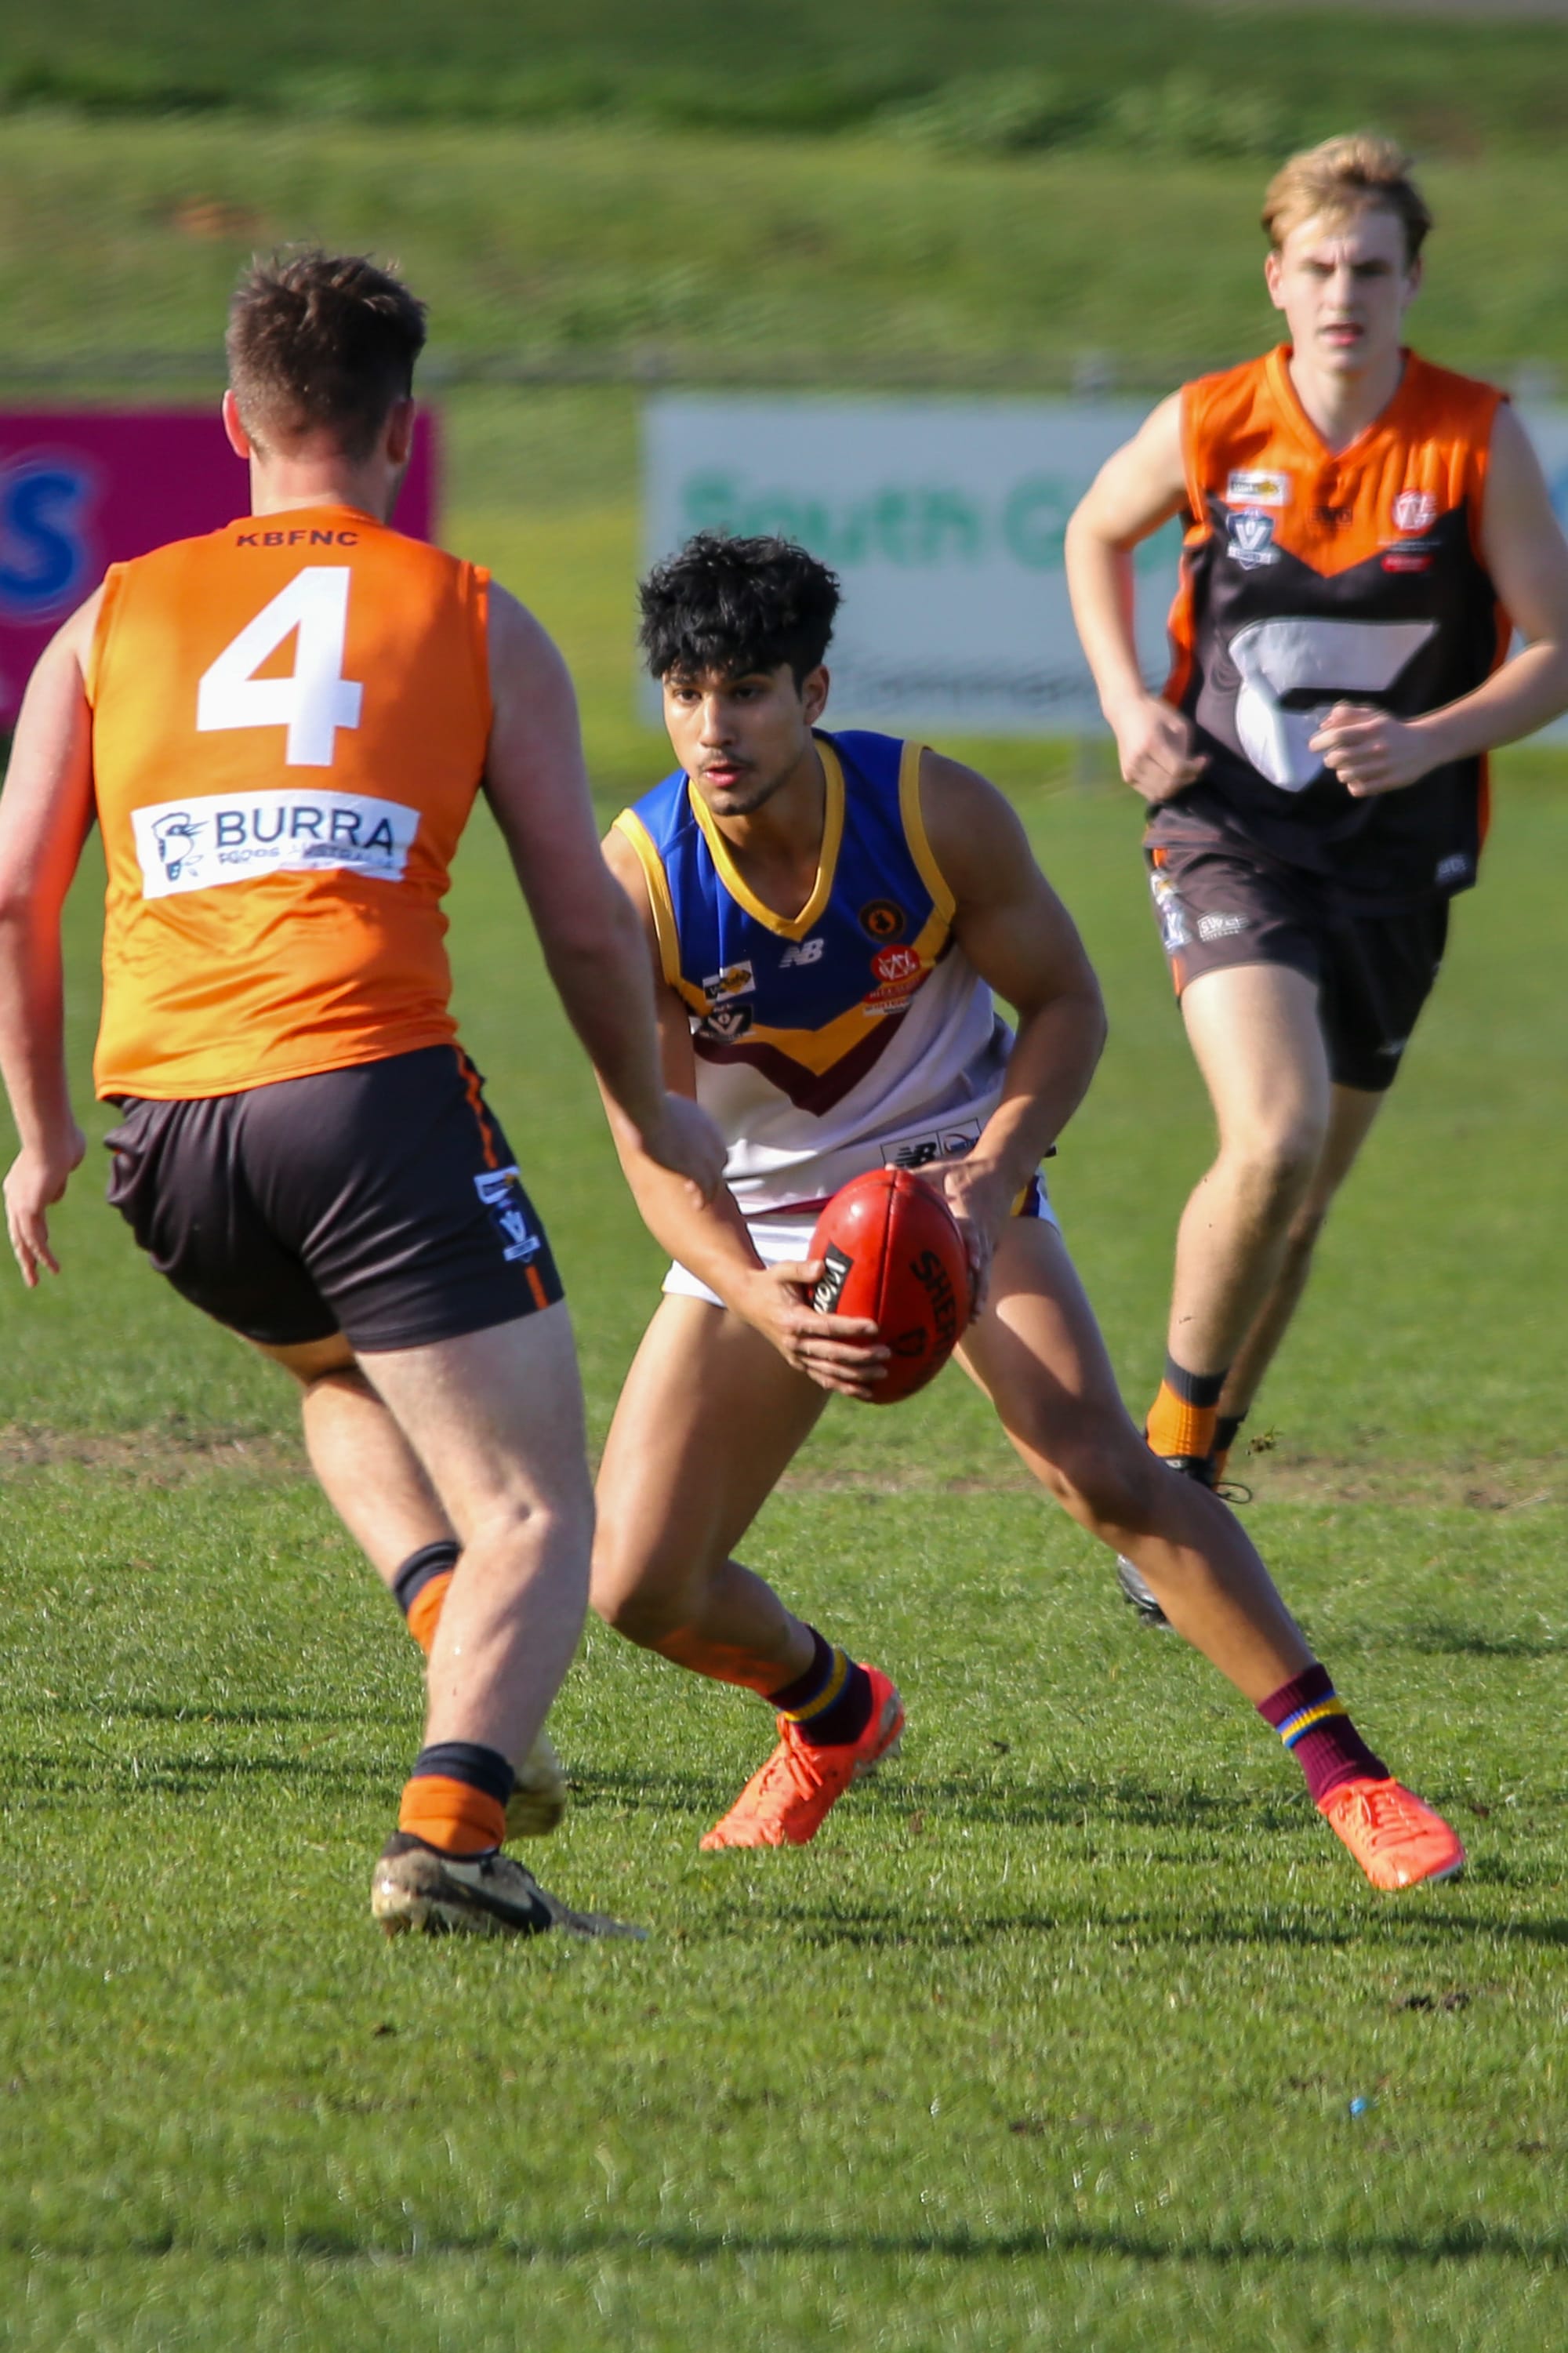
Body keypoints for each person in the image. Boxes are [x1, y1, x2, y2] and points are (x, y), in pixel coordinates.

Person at [0, 251, 724, 1941]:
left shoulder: (109, 617)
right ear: (405, 427)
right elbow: (574, 906)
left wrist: (38, 1139)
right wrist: (647, 1108)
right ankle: (451, 1837)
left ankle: (454, 1628)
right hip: (364, 1100)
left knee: (332, 1365)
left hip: (164, 1141)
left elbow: (18, 895)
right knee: (546, 1505)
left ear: (233, 421)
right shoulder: (471, 614)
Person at [587, 527, 1465, 1891]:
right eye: (688, 690)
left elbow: (1068, 1004)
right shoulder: (638, 876)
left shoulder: (934, 809)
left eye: (748, 688)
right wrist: (757, 1292)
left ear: (813, 693)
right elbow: (652, 1142)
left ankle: (1351, 1777)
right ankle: (835, 1712)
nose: (715, 724)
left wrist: (994, 1171)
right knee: (639, 1584)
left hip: (947, 1164)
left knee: (1097, 1459)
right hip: (758, 1221)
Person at [1064, 135, 1568, 1621]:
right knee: (1270, 1135)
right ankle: (1165, 1472)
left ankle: (1195, 1472)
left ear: (1414, 282)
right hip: (1230, 827)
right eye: (1320, 267)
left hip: (1400, 863)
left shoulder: (1476, 436)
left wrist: (1431, 739)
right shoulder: (1217, 418)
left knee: (1305, 1196)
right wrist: (1124, 705)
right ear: (1276, 277)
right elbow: (1096, 530)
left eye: (1373, 268)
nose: (1345, 292)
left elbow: (1551, 652)